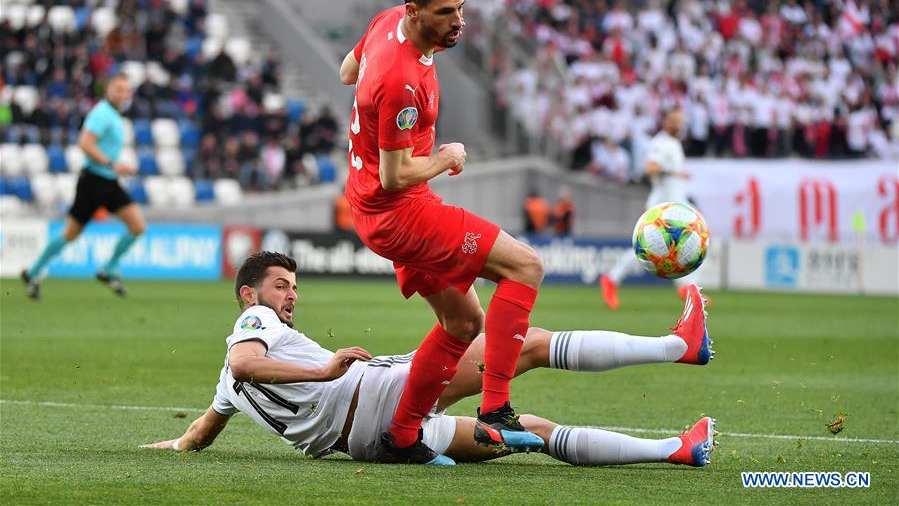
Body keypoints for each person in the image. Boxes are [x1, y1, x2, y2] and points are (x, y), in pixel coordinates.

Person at [141, 251, 717, 468]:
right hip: (376, 396)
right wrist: (322, 371)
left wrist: (170, 445)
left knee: (534, 433)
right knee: (528, 344)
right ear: (249, 295)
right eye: (279, 286)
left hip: (369, 447)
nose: (289, 296)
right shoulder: (252, 324)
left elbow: (201, 432)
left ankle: (675, 450)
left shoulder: (227, 385)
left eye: (293, 287)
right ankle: (677, 347)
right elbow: (245, 361)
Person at [337, 0, 546, 462]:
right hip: (399, 210)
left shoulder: (386, 22)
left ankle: (404, 435)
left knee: (463, 324)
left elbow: (347, 70)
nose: (459, 21)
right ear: (414, 10)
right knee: (526, 266)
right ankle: (496, 407)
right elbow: (395, 174)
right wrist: (445, 157)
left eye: (461, 8)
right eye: (446, 12)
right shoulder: (400, 78)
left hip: (375, 205)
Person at [21, 74, 145, 299]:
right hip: (93, 181)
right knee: (70, 233)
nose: (122, 94)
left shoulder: (115, 116)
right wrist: (112, 164)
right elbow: (85, 143)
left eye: (126, 90)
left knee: (137, 225)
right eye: (118, 89)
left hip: (109, 181)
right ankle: (33, 271)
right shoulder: (101, 113)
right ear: (108, 90)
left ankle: (108, 269)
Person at [600, 108, 697, 310]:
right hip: (662, 208)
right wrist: (675, 173)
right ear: (666, 122)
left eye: (681, 122)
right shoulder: (661, 143)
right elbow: (650, 167)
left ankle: (686, 287)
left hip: (676, 204)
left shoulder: (674, 143)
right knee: (648, 249)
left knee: (687, 241)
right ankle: (611, 278)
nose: (678, 125)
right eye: (675, 121)